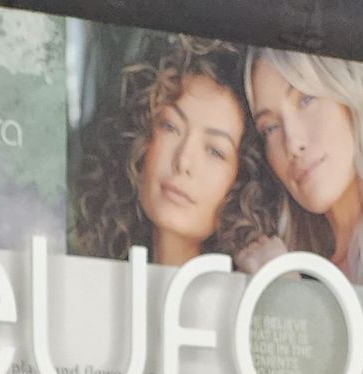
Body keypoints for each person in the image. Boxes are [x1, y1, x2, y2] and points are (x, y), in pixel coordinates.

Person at [73, 35, 263, 267]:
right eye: (170, 127)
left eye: (214, 151)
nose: (183, 161)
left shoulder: (252, 299)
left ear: (244, 181)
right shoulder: (90, 275)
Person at [241, 50, 363, 289]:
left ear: (351, 99)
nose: (292, 144)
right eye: (270, 128)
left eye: (306, 99)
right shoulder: (297, 265)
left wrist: (287, 298)